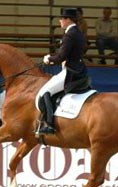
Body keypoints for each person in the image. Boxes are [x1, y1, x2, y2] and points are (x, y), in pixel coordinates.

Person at [37, 7, 89, 135]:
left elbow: (61, 57)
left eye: (61, 18)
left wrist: (49, 59)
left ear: (68, 19)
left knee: (45, 92)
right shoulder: (78, 32)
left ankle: (49, 124)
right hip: (79, 69)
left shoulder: (70, 34)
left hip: (71, 72)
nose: (60, 21)